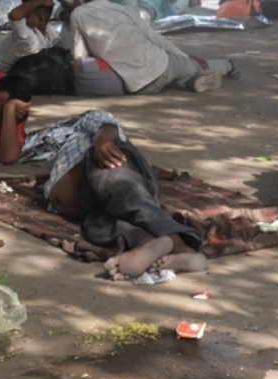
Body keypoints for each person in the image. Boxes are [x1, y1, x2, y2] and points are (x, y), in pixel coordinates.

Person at [36, 110, 208, 280]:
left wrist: (102, 141)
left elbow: (105, 122)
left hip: (108, 161)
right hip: (88, 201)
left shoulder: (80, 125)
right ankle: (149, 244)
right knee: (98, 225)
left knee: (123, 189)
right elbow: (10, 154)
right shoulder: (37, 140)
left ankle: (180, 244)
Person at [57, 0, 227, 94]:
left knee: (173, 77)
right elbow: (155, 38)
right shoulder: (125, 10)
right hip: (162, 66)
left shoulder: (78, 14)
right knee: (193, 65)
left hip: (137, 85)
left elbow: (79, 59)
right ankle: (226, 66)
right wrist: (183, 56)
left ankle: (189, 83)